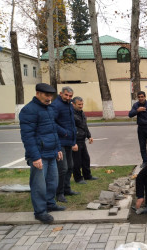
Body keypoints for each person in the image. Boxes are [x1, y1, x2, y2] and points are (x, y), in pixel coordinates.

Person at [19, 83, 65, 224]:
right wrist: (35, 156)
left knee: (52, 182)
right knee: (39, 185)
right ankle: (40, 211)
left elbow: (53, 131)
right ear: (38, 93)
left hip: (51, 152)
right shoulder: (29, 110)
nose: (49, 98)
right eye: (46, 95)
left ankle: (50, 204)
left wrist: (58, 149)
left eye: (51, 95)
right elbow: (27, 136)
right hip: (39, 155)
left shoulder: (49, 109)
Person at [51, 86, 79, 203]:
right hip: (60, 142)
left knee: (70, 166)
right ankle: (59, 193)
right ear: (61, 94)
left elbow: (71, 122)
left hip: (69, 141)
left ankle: (67, 189)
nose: (68, 98)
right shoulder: (56, 105)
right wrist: (64, 132)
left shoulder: (69, 105)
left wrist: (73, 138)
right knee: (62, 168)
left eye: (70, 96)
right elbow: (52, 122)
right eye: (66, 95)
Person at [72, 96, 98, 184]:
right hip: (76, 140)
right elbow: (71, 128)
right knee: (77, 161)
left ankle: (87, 175)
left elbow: (84, 126)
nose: (81, 106)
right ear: (73, 104)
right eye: (79, 104)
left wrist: (89, 136)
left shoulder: (81, 113)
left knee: (86, 159)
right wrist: (73, 142)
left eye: (82, 104)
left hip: (82, 140)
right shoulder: (70, 114)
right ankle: (78, 178)